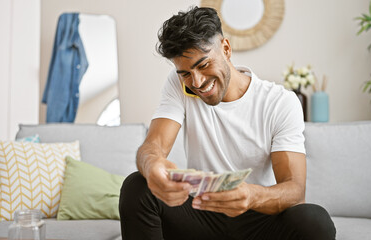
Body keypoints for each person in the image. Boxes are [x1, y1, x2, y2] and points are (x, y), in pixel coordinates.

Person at [119, 6, 336, 240]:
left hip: (258, 218)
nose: (197, 82)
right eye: (186, 73)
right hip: (201, 215)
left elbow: (294, 190)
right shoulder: (179, 85)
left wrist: (251, 196)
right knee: (137, 186)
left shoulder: (279, 102)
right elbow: (154, 146)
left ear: (225, 48)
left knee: (314, 221)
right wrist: (152, 168)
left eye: (203, 65)